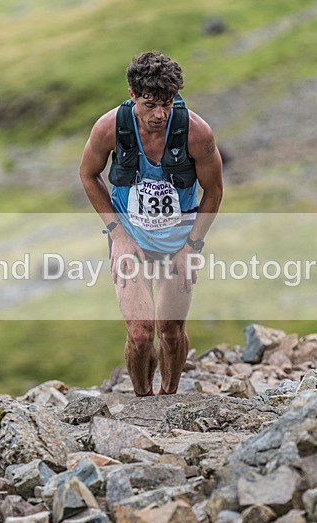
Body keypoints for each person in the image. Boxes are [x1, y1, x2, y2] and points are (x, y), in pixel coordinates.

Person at [79, 52, 224, 397]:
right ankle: (142, 398)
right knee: (142, 333)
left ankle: (168, 398)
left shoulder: (196, 133)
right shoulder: (109, 128)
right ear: (132, 94)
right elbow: (87, 175)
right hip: (131, 238)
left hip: (178, 241)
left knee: (171, 332)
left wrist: (192, 247)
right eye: (150, 105)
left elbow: (214, 191)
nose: (159, 114)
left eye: (167, 103)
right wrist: (118, 235)